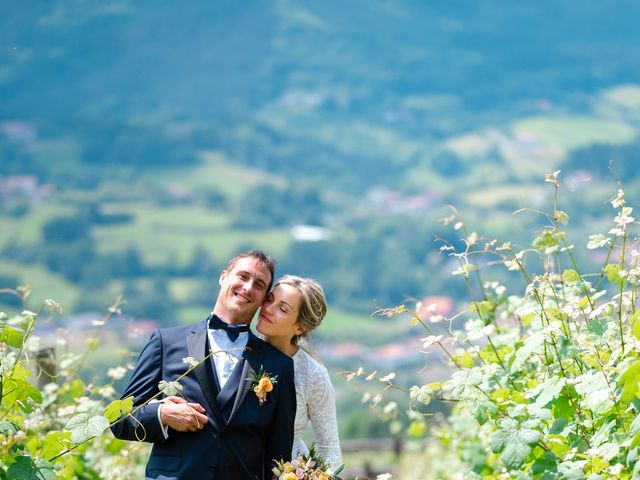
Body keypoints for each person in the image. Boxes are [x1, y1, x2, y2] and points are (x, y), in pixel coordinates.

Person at [111, 250, 296, 480]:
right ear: (223, 277)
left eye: (259, 284)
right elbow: (120, 420)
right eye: (243, 276)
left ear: (263, 298)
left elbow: (279, 457)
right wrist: (163, 414)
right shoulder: (165, 342)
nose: (248, 287)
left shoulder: (278, 365)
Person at [256, 274, 342, 470]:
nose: (268, 309)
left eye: (282, 309)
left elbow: (329, 448)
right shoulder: (239, 353)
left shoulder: (313, 375)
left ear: (299, 328)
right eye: (270, 300)